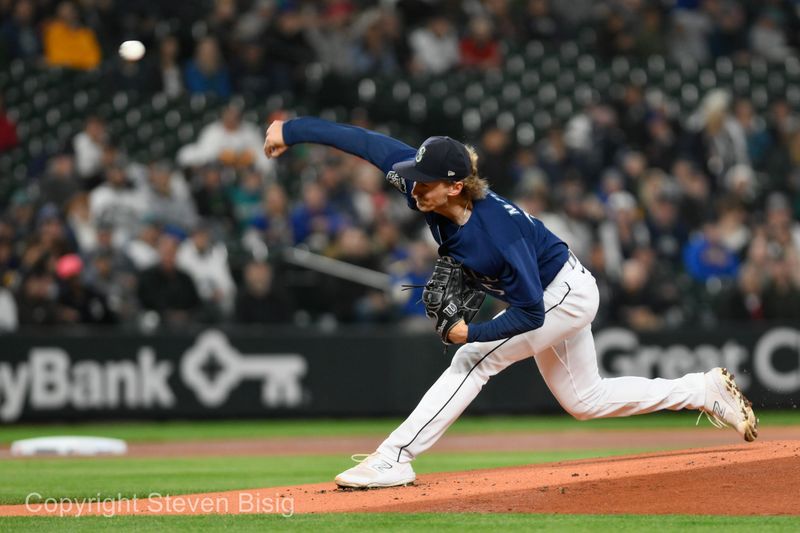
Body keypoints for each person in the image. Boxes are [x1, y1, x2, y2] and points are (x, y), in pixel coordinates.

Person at [263, 116, 759, 489]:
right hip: (557, 286)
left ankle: (395, 457)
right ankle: (701, 389)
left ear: (455, 186)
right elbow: (367, 144)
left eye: (425, 179)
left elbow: (530, 314)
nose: (413, 183)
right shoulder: (426, 186)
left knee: (472, 359)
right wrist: (293, 128)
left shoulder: (497, 233)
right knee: (585, 401)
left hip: (560, 293)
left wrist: (469, 333)